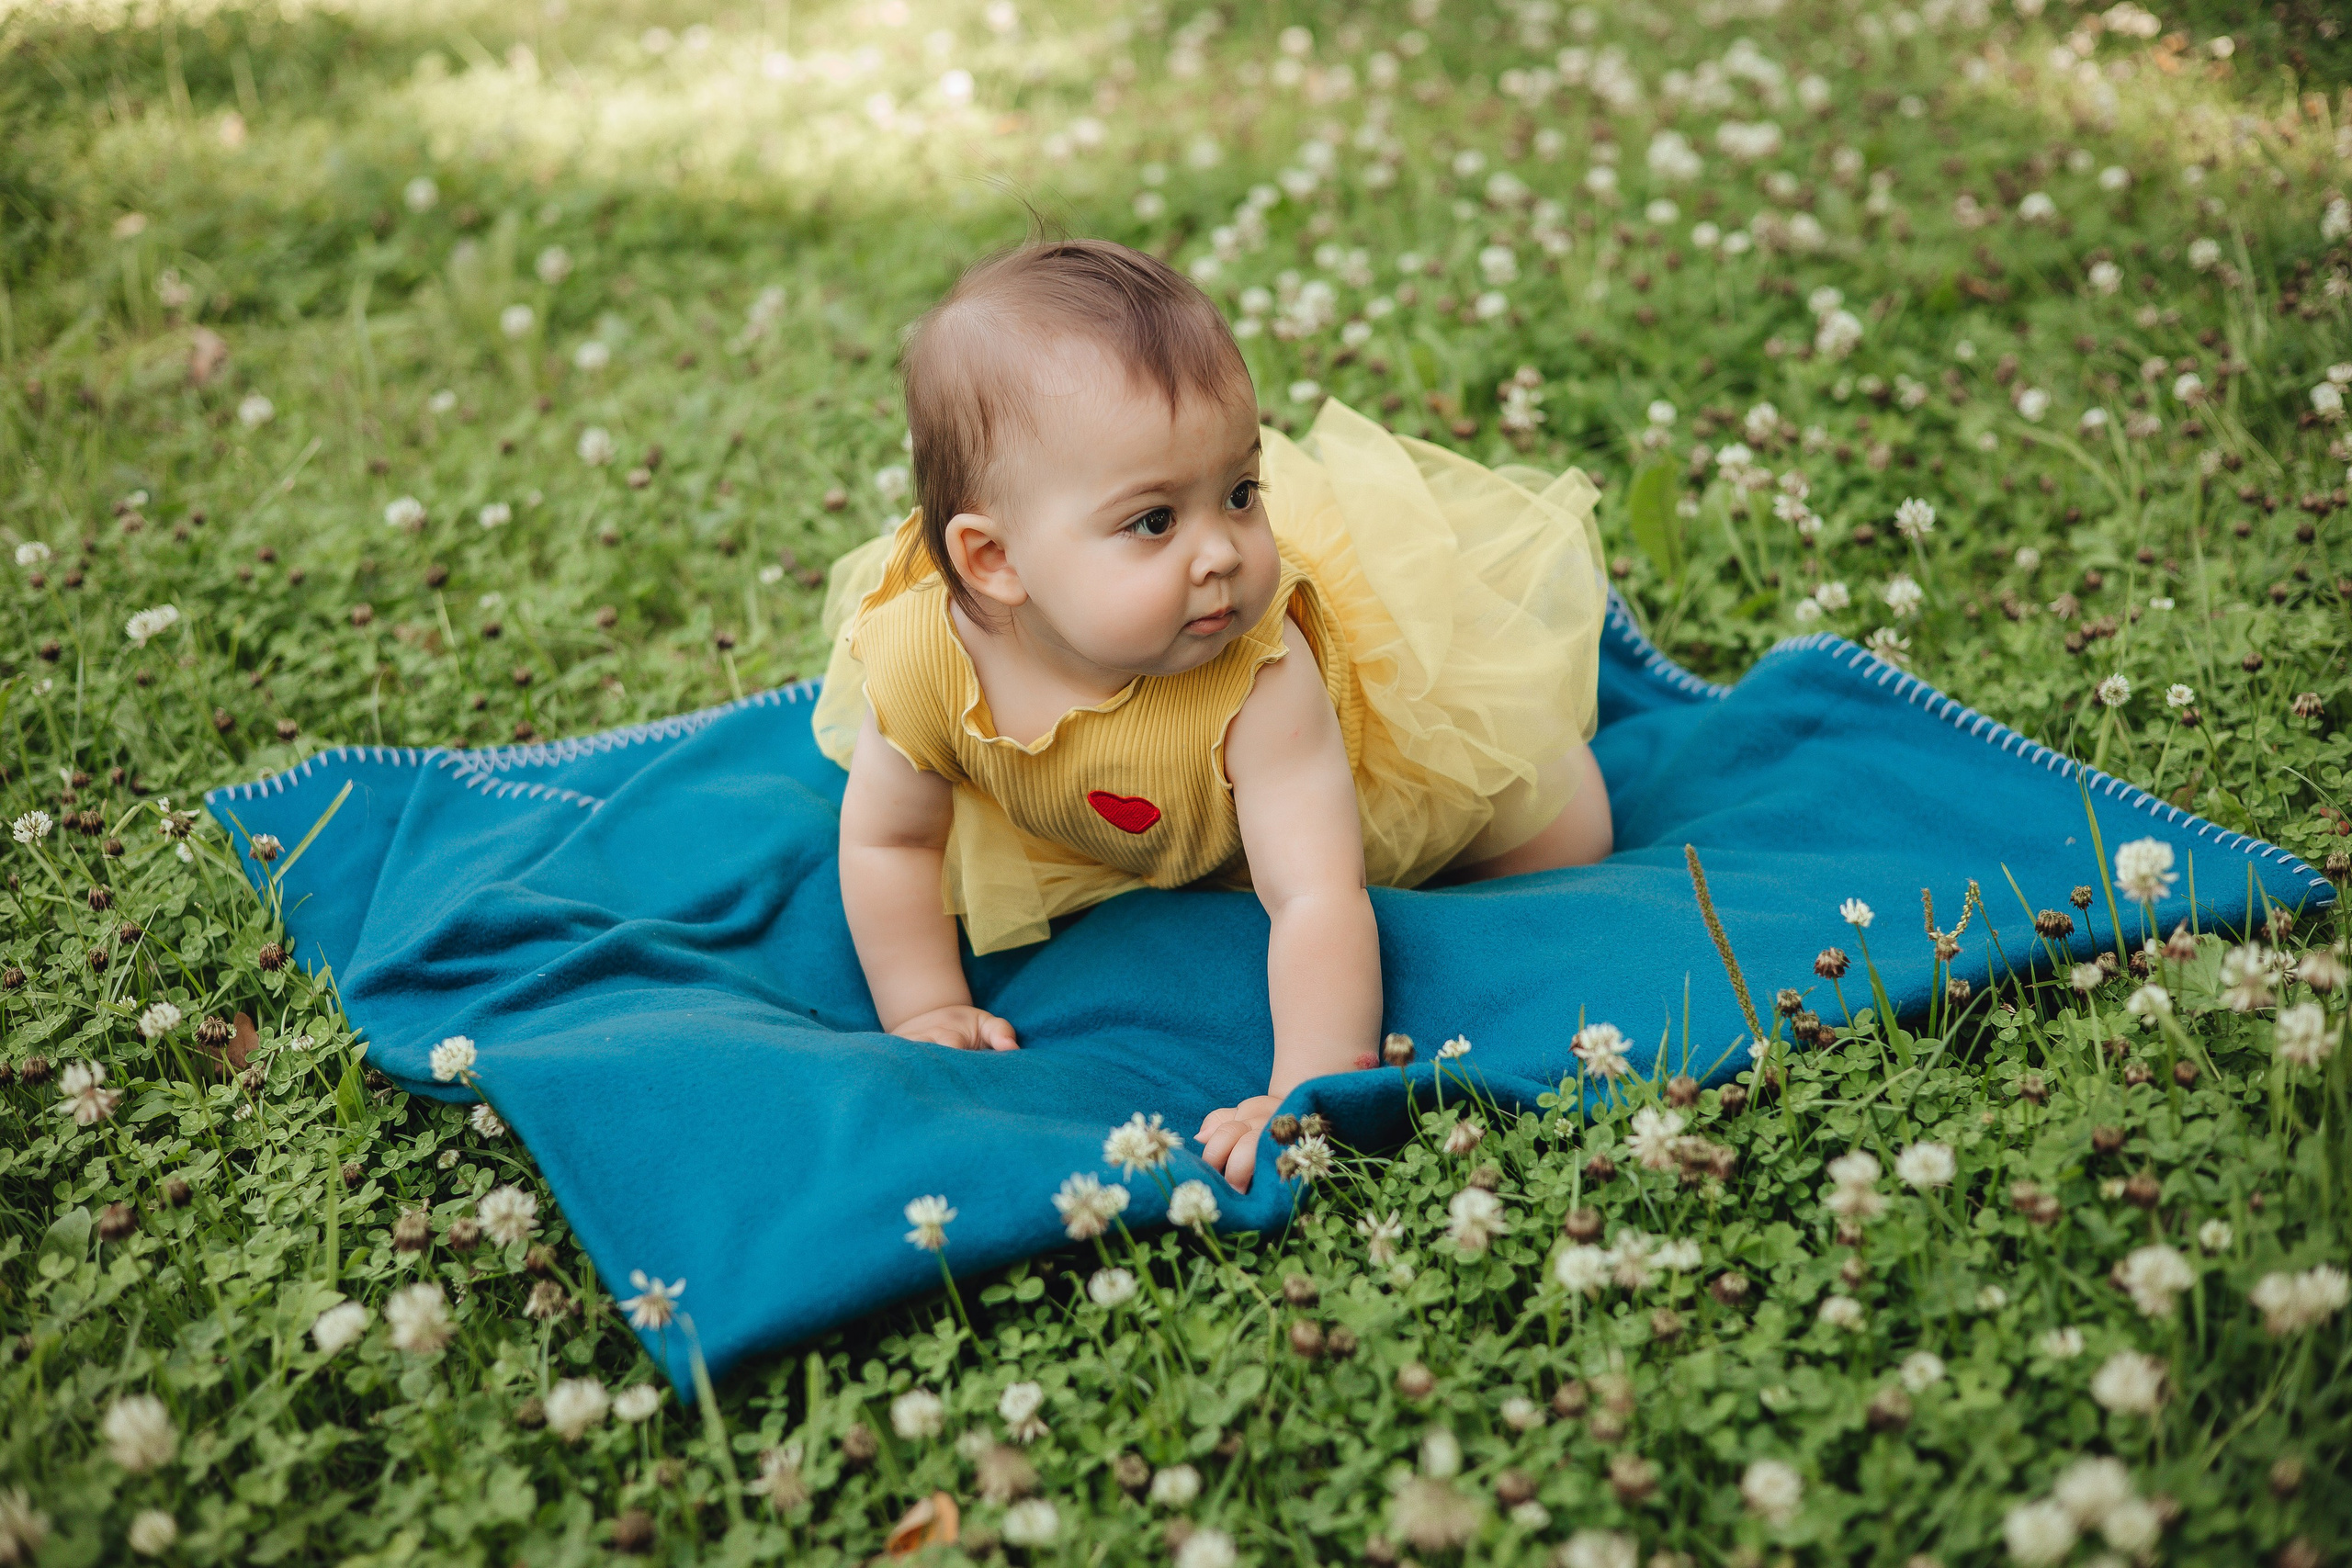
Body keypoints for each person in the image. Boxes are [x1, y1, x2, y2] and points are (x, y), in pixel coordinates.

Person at [812, 236, 1611, 1193]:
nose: (1221, 553)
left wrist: (1304, 1087)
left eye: (1240, 494)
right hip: (1118, 812)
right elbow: (890, 842)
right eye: (1153, 521)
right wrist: (924, 1007)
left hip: (1344, 790)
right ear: (994, 562)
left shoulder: (1261, 670)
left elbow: (1314, 894)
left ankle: (1545, 769)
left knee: (1564, 833)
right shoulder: (920, 660)